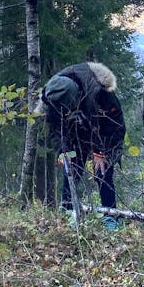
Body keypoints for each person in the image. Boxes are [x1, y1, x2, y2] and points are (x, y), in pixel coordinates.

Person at [38, 62, 125, 229]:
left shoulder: (100, 93)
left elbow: (114, 126)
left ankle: (111, 217)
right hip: (73, 132)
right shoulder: (52, 97)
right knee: (70, 168)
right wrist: (63, 152)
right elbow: (56, 129)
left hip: (102, 130)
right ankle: (68, 212)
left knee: (103, 171)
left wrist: (101, 153)